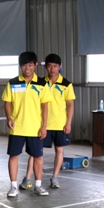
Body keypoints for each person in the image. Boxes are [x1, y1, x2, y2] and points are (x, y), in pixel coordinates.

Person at [20, 54, 75, 190]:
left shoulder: (66, 84)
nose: (52, 69)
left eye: (55, 66)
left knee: (59, 150)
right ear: (45, 67)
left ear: (60, 67)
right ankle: (27, 178)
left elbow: (70, 105)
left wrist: (68, 123)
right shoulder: (40, 82)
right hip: (41, 124)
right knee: (35, 152)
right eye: (49, 66)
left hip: (59, 123)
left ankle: (54, 177)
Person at [2, 51, 51, 198]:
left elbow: (45, 106)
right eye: (24, 65)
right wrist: (9, 117)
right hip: (16, 128)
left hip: (35, 128)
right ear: (20, 66)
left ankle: (38, 185)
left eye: (30, 64)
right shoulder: (12, 83)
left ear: (35, 65)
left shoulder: (42, 84)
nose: (27, 68)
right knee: (13, 156)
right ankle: (13, 187)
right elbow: (7, 102)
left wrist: (44, 126)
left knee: (38, 157)